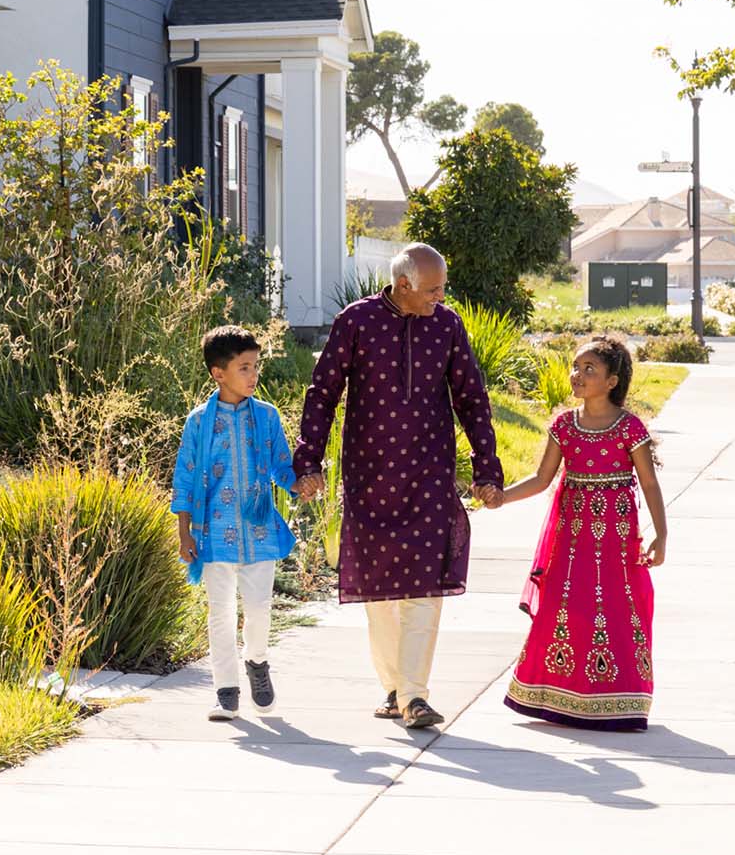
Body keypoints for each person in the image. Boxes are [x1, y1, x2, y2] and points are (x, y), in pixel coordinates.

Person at [292, 243, 503, 730]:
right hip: (369, 474)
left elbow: (472, 397)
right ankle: (393, 687)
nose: (441, 296)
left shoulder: (446, 325)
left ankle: (414, 695)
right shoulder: (357, 321)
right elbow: (323, 392)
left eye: (442, 287)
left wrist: (486, 468)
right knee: (380, 590)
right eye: (433, 288)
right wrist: (309, 460)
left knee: (425, 585)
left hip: (430, 472)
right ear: (403, 284)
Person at [497, 335, 665, 730]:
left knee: (621, 609)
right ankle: (560, 696)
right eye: (576, 367)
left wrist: (661, 535)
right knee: (567, 608)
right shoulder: (563, 425)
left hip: (617, 539)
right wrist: (500, 498)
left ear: (612, 381)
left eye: (590, 369)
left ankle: (622, 699)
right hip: (571, 542)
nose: (578, 375)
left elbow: (650, 483)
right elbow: (541, 479)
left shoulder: (629, 427)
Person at [173, 325, 298, 721]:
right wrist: (184, 533)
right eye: (244, 367)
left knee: (260, 608)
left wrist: (303, 482)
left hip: (260, 533)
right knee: (220, 612)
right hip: (213, 536)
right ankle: (225, 691)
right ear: (218, 373)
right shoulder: (198, 422)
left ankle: (257, 663)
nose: (253, 375)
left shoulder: (266, 416)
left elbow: (282, 465)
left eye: (255, 366)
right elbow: (186, 477)